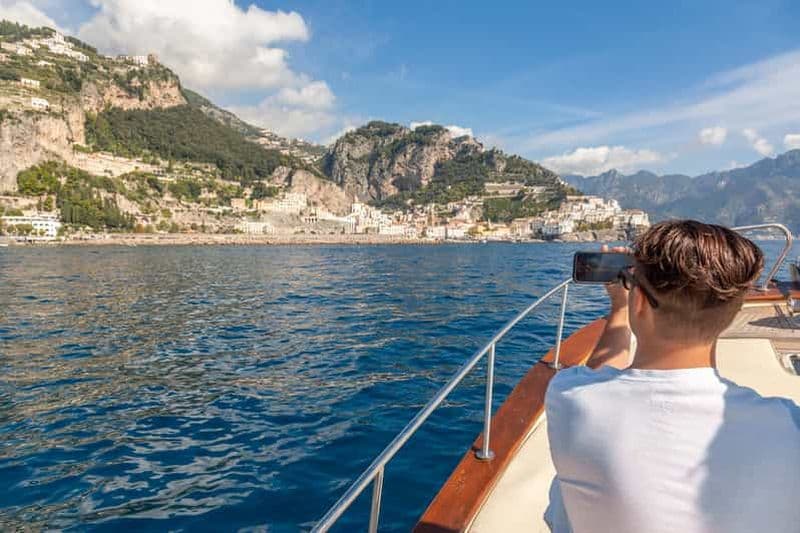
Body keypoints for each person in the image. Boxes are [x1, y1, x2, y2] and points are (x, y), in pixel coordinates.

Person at [544, 220, 800, 533]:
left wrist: (619, 311)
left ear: (638, 301)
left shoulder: (569, 397)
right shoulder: (789, 423)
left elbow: (596, 377)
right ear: (734, 312)